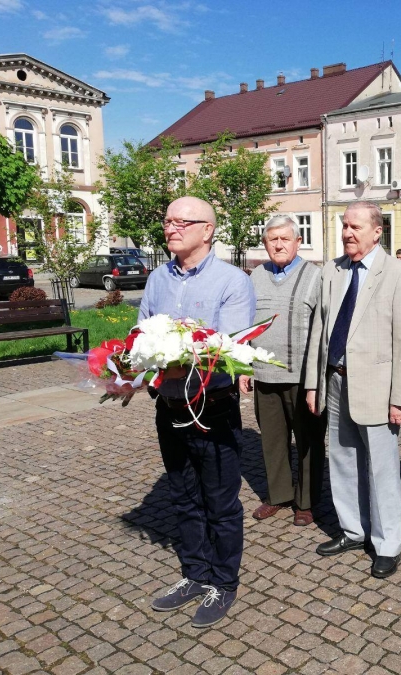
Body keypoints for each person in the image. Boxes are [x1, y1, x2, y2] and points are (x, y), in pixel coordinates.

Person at [141, 196, 256, 628]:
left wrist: (167, 358)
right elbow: (140, 335)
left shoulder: (232, 281)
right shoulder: (157, 278)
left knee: (220, 502)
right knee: (183, 496)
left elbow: (226, 350)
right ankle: (195, 573)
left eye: (181, 222)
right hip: (169, 405)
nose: (170, 228)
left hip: (213, 409)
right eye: (167, 221)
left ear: (207, 230)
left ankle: (223, 582)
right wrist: (126, 368)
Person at [304, 200, 401, 579]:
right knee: (342, 459)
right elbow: (320, 331)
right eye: (344, 226)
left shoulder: (399, 273)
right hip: (335, 381)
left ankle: (387, 544)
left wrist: (400, 398)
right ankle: (353, 530)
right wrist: (313, 384)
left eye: (355, 227)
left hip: (377, 389)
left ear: (377, 231)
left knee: (381, 469)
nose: (347, 233)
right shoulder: (332, 270)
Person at [240, 215, 325, 527]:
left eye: (285, 239)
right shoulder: (256, 276)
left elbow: (323, 330)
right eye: (272, 239)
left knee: (308, 442)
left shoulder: (315, 276)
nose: (278, 245)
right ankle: (279, 495)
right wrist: (244, 367)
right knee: (273, 441)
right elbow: (247, 325)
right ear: (265, 243)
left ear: (298, 242)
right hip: (264, 375)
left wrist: (316, 379)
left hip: (303, 378)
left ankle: (306, 501)